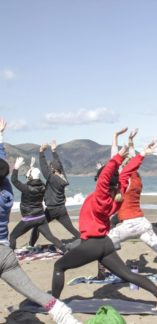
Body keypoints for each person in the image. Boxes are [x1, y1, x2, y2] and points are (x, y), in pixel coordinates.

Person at [51, 139, 157, 310]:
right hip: (105, 243)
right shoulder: (118, 193)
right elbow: (126, 173)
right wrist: (142, 154)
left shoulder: (101, 197)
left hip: (92, 244)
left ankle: (53, 304)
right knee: (127, 274)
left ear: (103, 182)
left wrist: (119, 157)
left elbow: (106, 175)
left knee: (59, 266)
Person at [0, 117, 81, 324]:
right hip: (9, 249)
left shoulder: (32, 185)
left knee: (29, 231)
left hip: (41, 215)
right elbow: (13, 178)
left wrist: (37, 157)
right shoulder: (10, 194)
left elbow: (30, 175)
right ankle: (64, 315)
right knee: (50, 233)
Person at [94, 129, 157, 280]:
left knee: (102, 246)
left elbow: (114, 157)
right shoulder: (138, 180)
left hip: (128, 225)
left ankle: (101, 275)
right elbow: (134, 159)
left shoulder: (122, 179)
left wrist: (115, 136)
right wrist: (131, 141)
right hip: (143, 223)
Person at [9, 156, 66, 252]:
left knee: (13, 236)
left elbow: (14, 180)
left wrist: (16, 167)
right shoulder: (43, 186)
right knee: (50, 237)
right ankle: (65, 250)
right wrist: (32, 166)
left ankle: (10, 255)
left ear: (30, 177)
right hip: (40, 217)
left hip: (29, 219)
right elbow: (34, 177)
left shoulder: (26, 188)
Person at [29, 140, 80, 246]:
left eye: (51, 167)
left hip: (51, 210)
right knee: (71, 228)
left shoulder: (52, 178)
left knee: (38, 226)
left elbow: (43, 168)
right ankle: (84, 240)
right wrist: (53, 151)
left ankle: (31, 245)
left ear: (52, 169)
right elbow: (59, 163)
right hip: (61, 209)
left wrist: (41, 152)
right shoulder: (63, 177)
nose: (50, 168)